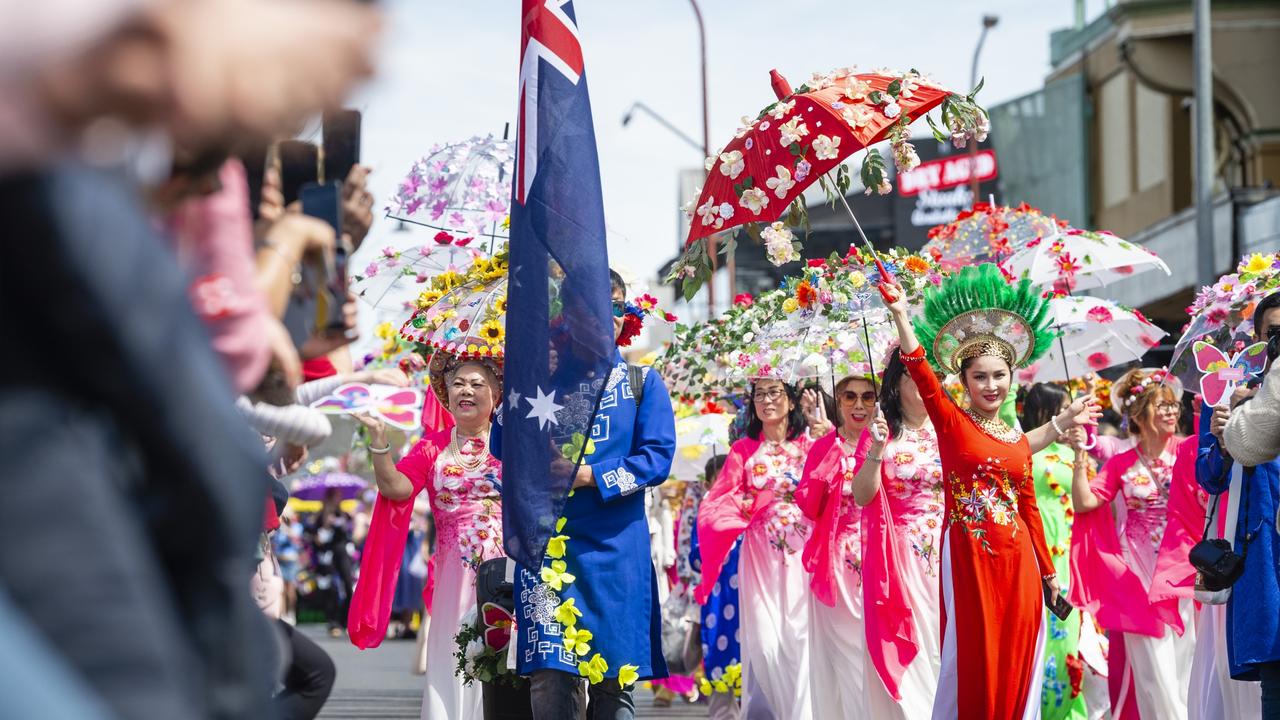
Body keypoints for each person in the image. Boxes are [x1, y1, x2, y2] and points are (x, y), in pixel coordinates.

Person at [880, 263, 1099, 720]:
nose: (991, 385)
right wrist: (902, 315)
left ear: (1011, 377)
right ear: (964, 381)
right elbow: (919, 368)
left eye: (999, 375)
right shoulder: (951, 422)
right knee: (975, 660)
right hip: (969, 559)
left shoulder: (1012, 438)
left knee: (1019, 659)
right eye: (980, 377)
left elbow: (1029, 507)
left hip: (1019, 564)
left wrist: (1048, 571)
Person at [504, 270, 677, 720]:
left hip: (615, 553)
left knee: (614, 685)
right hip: (545, 552)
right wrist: (521, 380)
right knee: (548, 677)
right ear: (570, 313)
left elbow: (656, 461)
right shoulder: (542, 379)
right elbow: (500, 446)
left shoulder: (643, 383)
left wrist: (589, 476)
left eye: (618, 307)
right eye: (598, 305)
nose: (610, 316)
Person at [351, 355, 504, 720]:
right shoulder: (431, 447)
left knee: (504, 658)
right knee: (455, 656)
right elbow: (396, 488)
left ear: (497, 394)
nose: (466, 390)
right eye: (458, 383)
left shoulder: (514, 442)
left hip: (506, 571)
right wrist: (379, 441)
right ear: (446, 394)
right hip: (454, 576)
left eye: (477, 384)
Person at [1071, 368, 1197, 719]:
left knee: (1187, 661)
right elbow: (1084, 503)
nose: (1172, 412)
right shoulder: (1121, 463)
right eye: (1162, 406)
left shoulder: (1189, 450)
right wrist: (1081, 456)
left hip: (1184, 570)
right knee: (1154, 671)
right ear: (1139, 415)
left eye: (1174, 405)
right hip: (1137, 576)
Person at [696, 377, 815, 720]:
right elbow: (720, 500)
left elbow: (829, 489)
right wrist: (742, 509)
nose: (767, 400)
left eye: (775, 392)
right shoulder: (743, 450)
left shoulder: (810, 445)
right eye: (759, 394)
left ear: (791, 401)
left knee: (801, 641)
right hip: (760, 555)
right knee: (764, 645)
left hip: (802, 554)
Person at [849, 349, 944, 719]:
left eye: (930, 376)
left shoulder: (951, 427)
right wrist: (874, 447)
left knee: (950, 641)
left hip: (952, 549)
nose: (923, 384)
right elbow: (862, 494)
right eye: (913, 376)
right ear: (896, 383)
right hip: (903, 558)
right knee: (920, 645)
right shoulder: (882, 434)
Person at [1201, 289, 1280, 719]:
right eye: (1274, 334)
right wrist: (1223, 439)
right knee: (1273, 667)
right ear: (1258, 340)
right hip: (1260, 550)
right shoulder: (1229, 390)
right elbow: (1209, 479)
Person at [794, 373, 876, 718]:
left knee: (876, 652)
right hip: (838, 563)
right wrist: (826, 467)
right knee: (847, 652)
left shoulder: (887, 443)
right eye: (850, 397)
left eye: (868, 397)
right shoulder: (823, 446)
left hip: (883, 559)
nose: (859, 405)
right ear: (838, 401)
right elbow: (808, 505)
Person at [1020, 383, 1102, 719]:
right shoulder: (1025, 450)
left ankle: (1068, 709)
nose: (1074, 413)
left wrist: (1081, 453)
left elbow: (1088, 503)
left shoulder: (1073, 453)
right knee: (1040, 631)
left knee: (1070, 631)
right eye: (1067, 407)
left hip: (1071, 553)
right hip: (1039, 549)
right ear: (1047, 412)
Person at [687, 454, 743, 720]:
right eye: (719, 478)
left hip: (749, 599)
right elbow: (694, 556)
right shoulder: (705, 511)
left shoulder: (750, 506)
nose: (726, 483)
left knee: (754, 666)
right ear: (708, 483)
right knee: (721, 666)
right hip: (718, 603)